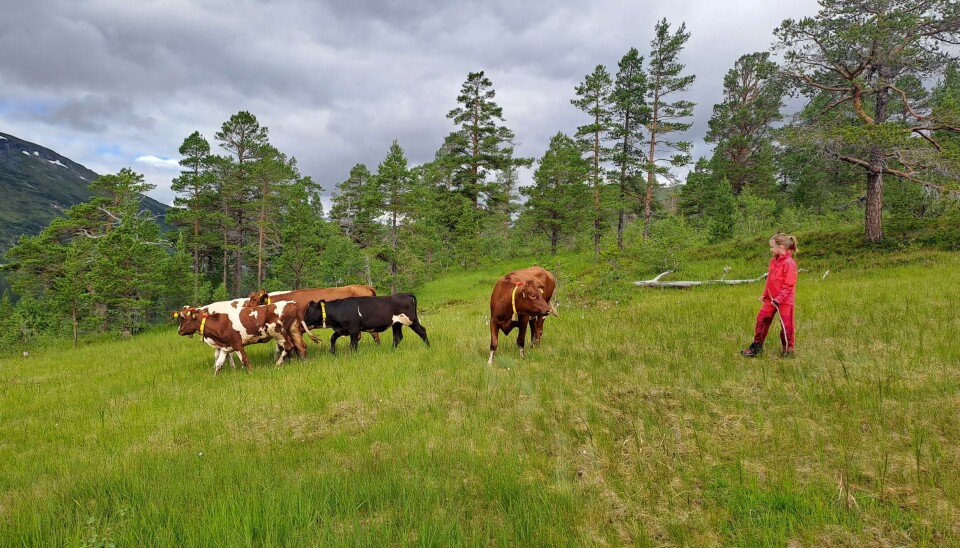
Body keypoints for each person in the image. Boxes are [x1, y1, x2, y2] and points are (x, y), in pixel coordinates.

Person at [742, 233, 798, 358]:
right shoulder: (773, 260)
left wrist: (778, 299)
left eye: (772, 247)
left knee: (786, 326)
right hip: (771, 299)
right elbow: (770, 279)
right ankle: (757, 347)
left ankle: (788, 350)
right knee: (761, 319)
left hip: (784, 301)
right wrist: (765, 294)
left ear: (782, 247)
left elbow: (789, 285)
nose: (770, 249)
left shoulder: (790, 263)